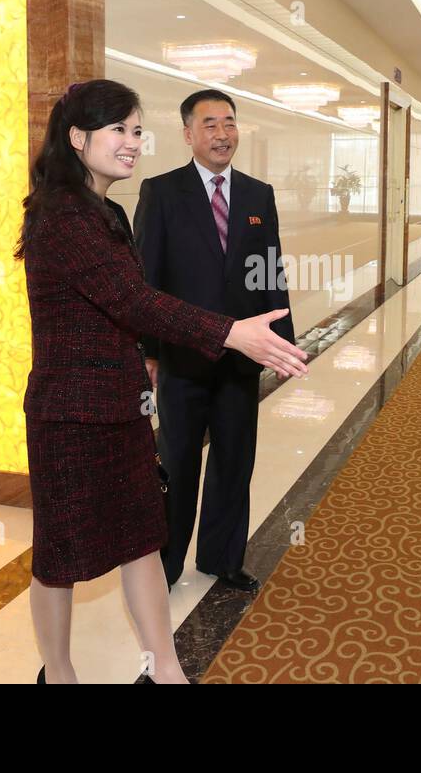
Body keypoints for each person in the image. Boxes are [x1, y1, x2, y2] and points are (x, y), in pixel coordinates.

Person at [16, 79, 307, 684]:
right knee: (59, 559)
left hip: (122, 409)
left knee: (143, 538)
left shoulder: (107, 210)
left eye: (134, 130)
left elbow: (137, 301)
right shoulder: (61, 217)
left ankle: (166, 669)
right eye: (117, 130)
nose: (130, 143)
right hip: (70, 415)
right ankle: (60, 674)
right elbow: (135, 301)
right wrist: (231, 332)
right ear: (77, 137)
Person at [134, 90, 296, 591]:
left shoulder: (256, 194)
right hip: (182, 358)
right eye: (209, 125)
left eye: (229, 123)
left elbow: (269, 269)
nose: (222, 134)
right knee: (178, 462)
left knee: (234, 460)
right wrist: (150, 352)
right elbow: (146, 280)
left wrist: (280, 344)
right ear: (187, 134)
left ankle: (222, 559)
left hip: (240, 359)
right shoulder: (161, 192)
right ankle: (166, 563)